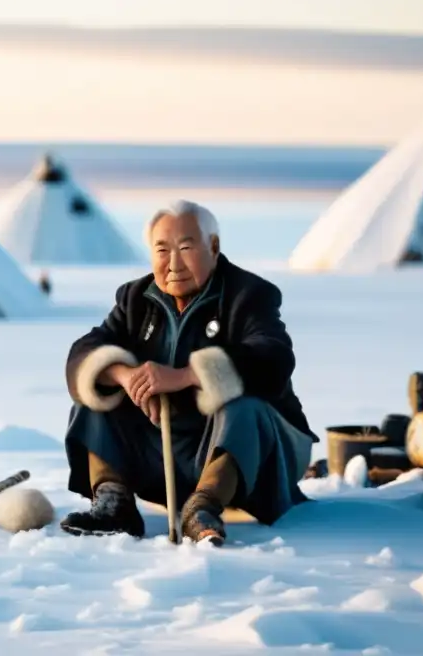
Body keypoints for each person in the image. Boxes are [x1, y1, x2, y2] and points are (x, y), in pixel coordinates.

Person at [60, 200, 317, 545]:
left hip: (250, 453)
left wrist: (185, 375)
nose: (174, 264)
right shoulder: (136, 298)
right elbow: (85, 352)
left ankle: (204, 507)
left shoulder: (248, 295)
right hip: (164, 450)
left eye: (186, 247)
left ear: (213, 247)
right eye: (162, 250)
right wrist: (126, 376)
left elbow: (273, 359)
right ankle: (114, 503)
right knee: (95, 396)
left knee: (243, 407)